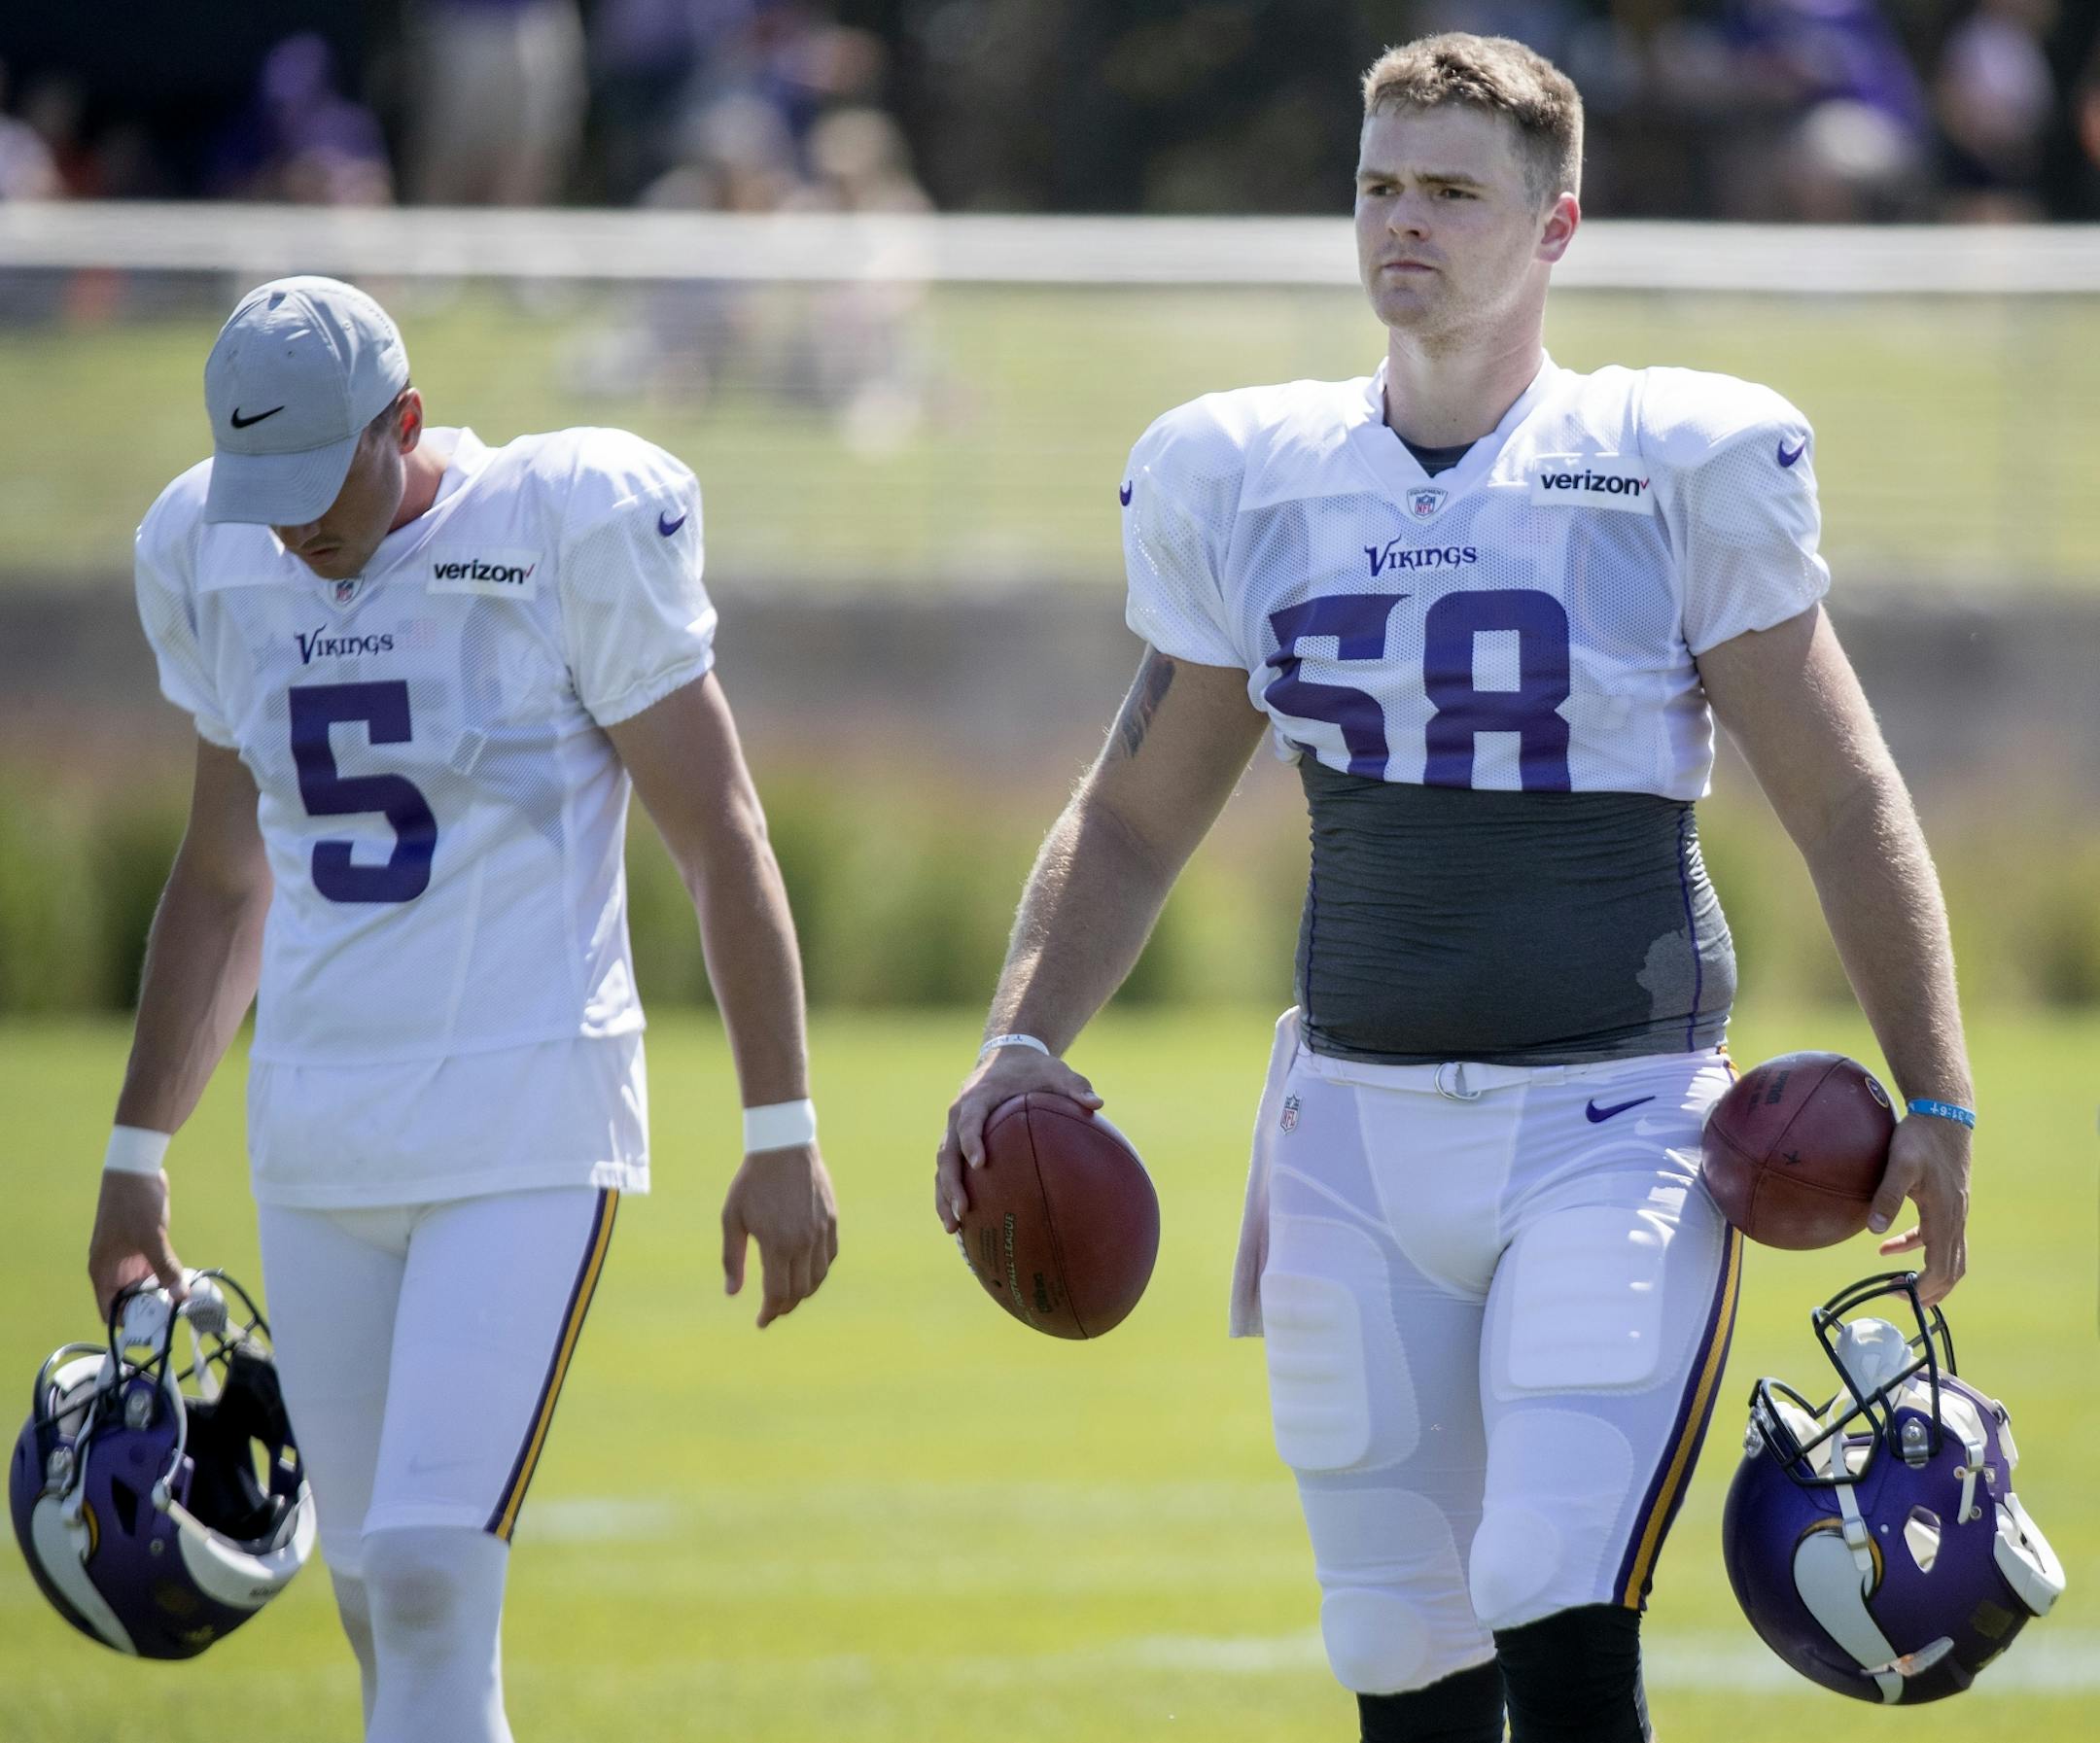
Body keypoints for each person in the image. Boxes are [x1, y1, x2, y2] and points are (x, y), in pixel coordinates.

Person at [935, 33, 1974, 1743]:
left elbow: (1843, 791)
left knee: (1556, 1578)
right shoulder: (1254, 475)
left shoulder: (1663, 459)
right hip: (1349, 1136)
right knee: (1401, 1646)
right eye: (1378, 186)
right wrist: (1018, 1041)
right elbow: (1129, 818)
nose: (1400, 223)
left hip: (1615, 1124)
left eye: (1450, 191)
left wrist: (1933, 1081)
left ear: (1556, 227)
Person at [88, 275, 838, 1743]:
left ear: (405, 423)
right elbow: (225, 876)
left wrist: (783, 1123)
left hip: (523, 1121)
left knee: (432, 1573)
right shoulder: (209, 550)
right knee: (380, 1600)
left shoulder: (558, 523)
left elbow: (719, 831)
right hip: (316, 1136)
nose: (293, 524)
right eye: (268, 488)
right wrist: (133, 1155)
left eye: (318, 478)